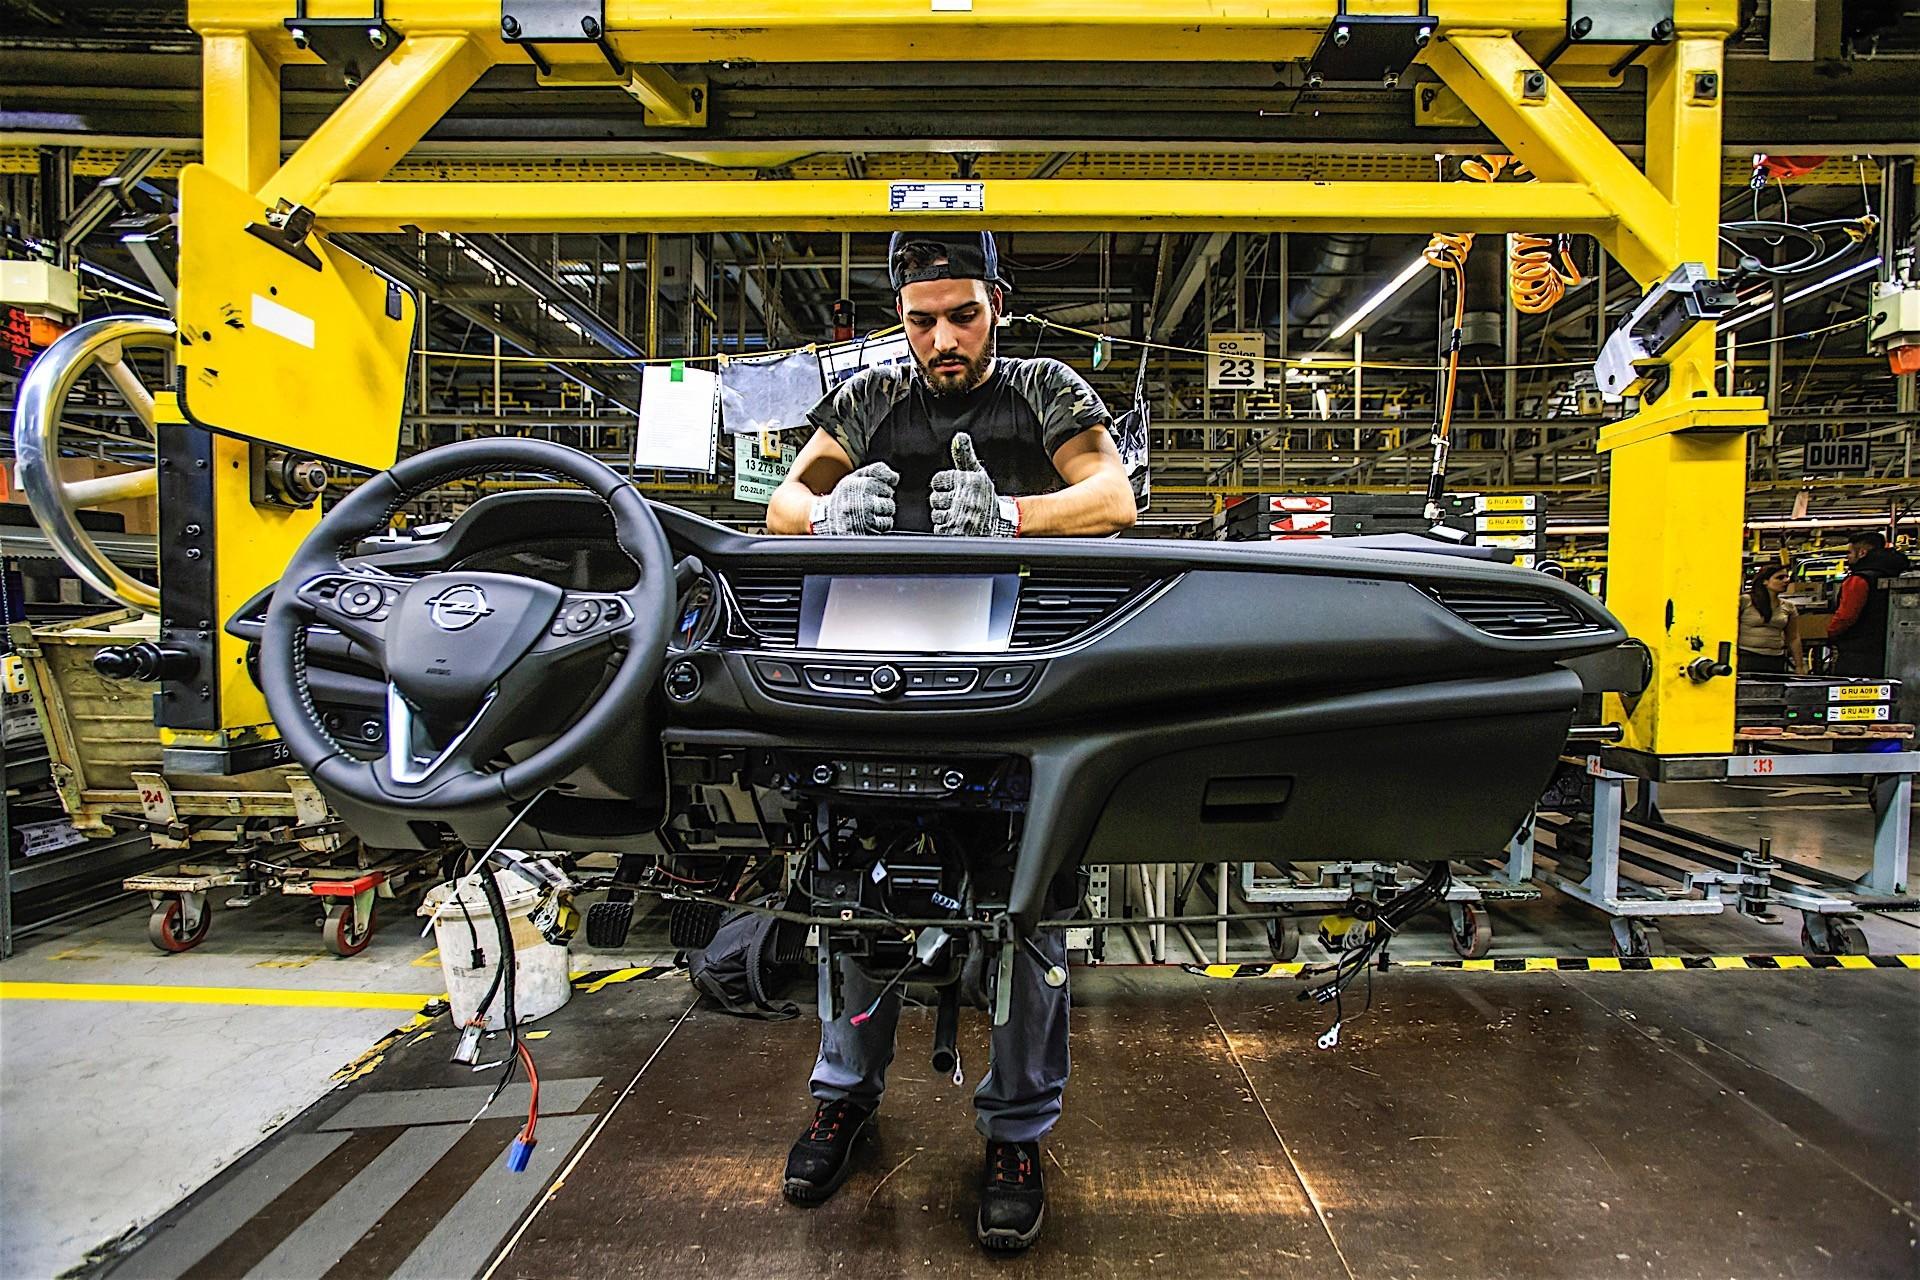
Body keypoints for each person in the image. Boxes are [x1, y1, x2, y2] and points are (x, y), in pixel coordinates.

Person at [767, 231, 1134, 1253]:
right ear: (900, 318)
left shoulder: (1043, 390)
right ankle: (842, 1098)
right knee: (851, 902)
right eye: (921, 320)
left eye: (963, 316)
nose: (943, 340)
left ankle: (1015, 1136)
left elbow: (1113, 497)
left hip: (1018, 700)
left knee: (1027, 920)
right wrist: (825, 513)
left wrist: (1013, 515)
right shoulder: (870, 398)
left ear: (997, 306)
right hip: (885, 691)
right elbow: (784, 501)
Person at [1827, 532, 1913, 678]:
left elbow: (1846, 616)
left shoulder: (1859, 580)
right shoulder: (1896, 574)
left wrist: (1830, 633)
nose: (1847, 557)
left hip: (1857, 655)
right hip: (1892, 652)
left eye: (1849, 552)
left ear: (1862, 553)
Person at [1737, 562, 1805, 675]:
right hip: (1747, 657)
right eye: (1780, 578)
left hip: (1775, 659)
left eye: (1787, 577)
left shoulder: (1788, 607)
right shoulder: (1746, 601)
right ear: (1765, 581)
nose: (1786, 580)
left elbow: (1793, 638)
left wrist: (1799, 666)